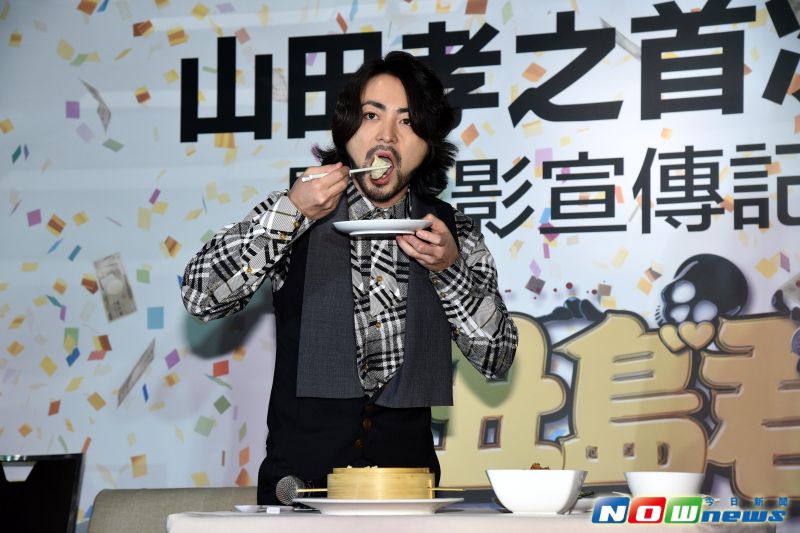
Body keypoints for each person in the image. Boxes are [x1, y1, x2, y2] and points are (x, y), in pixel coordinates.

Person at [181, 51, 518, 504]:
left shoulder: (450, 232)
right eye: (371, 115)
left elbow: (497, 358)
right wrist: (292, 212)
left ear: (429, 141)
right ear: (347, 129)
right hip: (299, 495)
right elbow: (200, 296)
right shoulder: (296, 210)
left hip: (407, 498)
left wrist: (449, 270)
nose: (386, 135)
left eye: (407, 121)